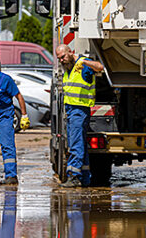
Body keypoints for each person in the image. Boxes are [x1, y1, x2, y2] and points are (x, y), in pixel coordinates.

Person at [55, 44, 104, 187]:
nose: (62, 60)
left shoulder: (81, 65)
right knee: (79, 143)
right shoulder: (68, 69)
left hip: (79, 111)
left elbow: (100, 67)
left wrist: (84, 61)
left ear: (70, 52)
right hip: (71, 110)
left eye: (63, 56)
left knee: (75, 145)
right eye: (59, 58)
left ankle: (74, 177)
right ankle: (85, 177)